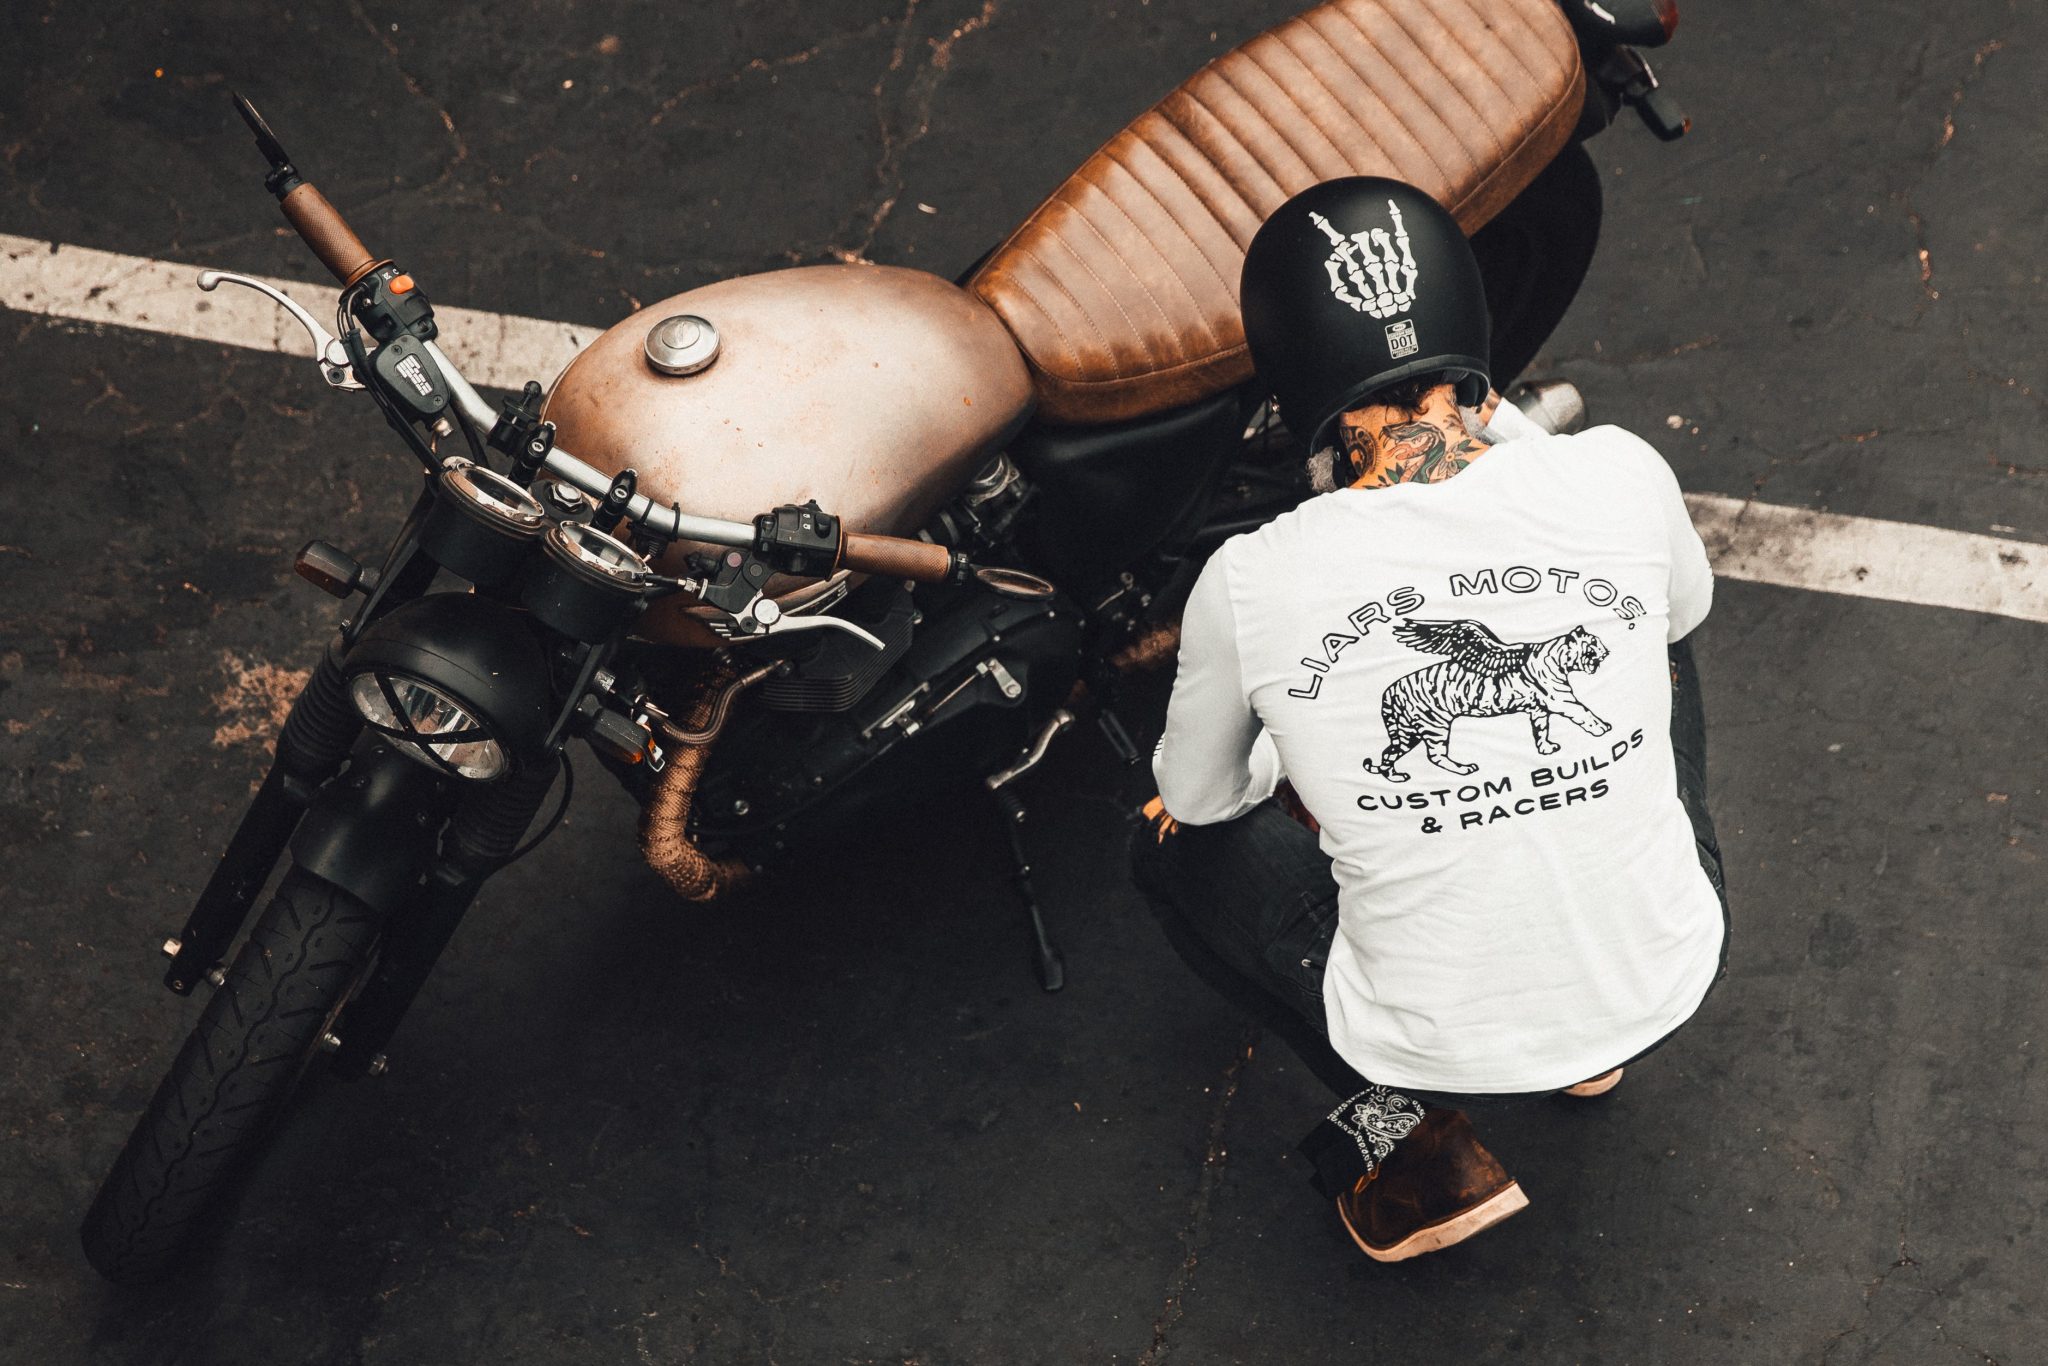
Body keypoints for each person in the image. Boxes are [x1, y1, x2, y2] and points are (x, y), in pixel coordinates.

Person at [1132, 177, 1727, 1262]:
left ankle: (1413, 1154)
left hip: (1439, 1037)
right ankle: (1589, 1039)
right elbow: (1680, 616)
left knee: (1167, 843)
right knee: (1656, 624)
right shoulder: (1620, 470)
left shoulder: (1250, 577)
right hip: (1670, 963)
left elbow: (1200, 796)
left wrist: (1304, 770)